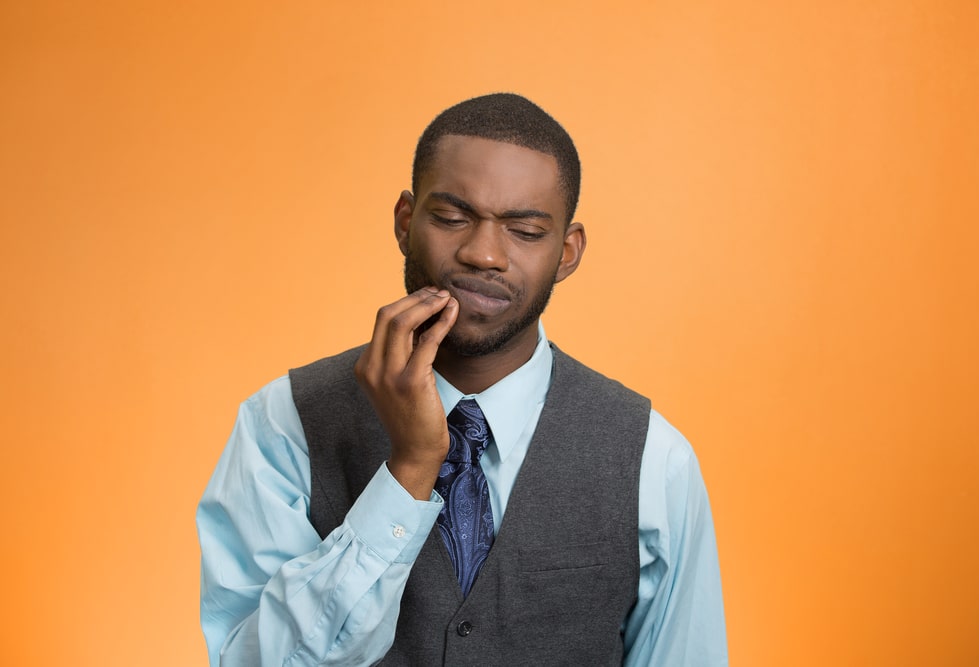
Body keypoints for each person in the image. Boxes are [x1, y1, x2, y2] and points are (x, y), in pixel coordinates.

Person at [197, 93, 728, 666]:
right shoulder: (284, 424)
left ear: (567, 253)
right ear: (405, 221)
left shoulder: (653, 460)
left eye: (524, 230)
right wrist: (409, 472)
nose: (483, 254)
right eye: (452, 219)